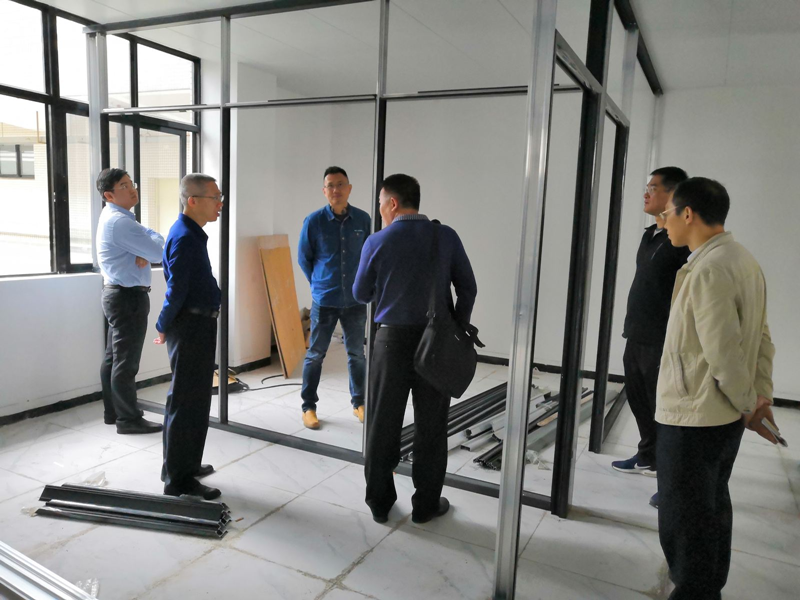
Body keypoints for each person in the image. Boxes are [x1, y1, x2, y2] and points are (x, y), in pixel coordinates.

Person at [656, 177, 779, 600]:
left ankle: (695, 591)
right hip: (720, 415)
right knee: (710, 505)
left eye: (668, 213)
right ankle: (709, 587)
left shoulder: (709, 269)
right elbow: (762, 338)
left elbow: (724, 354)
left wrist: (748, 404)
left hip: (695, 415)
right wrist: (759, 395)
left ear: (688, 214)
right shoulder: (742, 259)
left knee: (684, 516)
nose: (664, 222)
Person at [353, 173, 477, 525]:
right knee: (432, 426)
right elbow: (468, 288)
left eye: (381, 202)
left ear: (393, 203)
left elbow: (360, 293)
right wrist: (456, 327)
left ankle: (380, 503)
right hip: (435, 343)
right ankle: (425, 505)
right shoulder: (445, 236)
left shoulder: (377, 241)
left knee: (382, 424)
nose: (380, 209)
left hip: (389, 343)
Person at [612, 167, 690, 509]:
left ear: (673, 194)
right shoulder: (651, 235)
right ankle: (648, 455)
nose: (646, 193)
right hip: (637, 332)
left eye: (653, 188)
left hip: (663, 337)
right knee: (638, 398)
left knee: (665, 411)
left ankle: (672, 482)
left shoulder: (681, 242)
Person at [154, 174, 224, 500]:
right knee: (186, 403)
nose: (220, 203)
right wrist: (162, 324)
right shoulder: (184, 237)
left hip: (199, 325)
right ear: (192, 200)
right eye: (215, 198)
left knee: (195, 401)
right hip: (190, 327)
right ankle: (178, 480)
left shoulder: (192, 233)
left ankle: (185, 465)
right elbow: (176, 290)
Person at [297, 166, 371, 430]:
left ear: (349, 188)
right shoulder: (313, 221)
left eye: (340, 184)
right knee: (316, 354)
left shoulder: (363, 220)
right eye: (330, 185)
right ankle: (308, 407)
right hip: (325, 299)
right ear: (324, 191)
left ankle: (360, 403)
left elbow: (369, 256)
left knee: (357, 354)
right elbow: (304, 259)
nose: (335, 190)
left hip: (355, 300)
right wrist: (319, 283)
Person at [96, 168, 165, 435]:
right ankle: (128, 419)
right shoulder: (120, 222)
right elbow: (159, 252)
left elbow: (153, 242)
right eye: (124, 186)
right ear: (109, 195)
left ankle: (113, 413)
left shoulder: (117, 218)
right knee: (126, 362)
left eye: (130, 183)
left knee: (114, 358)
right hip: (127, 298)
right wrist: (147, 249)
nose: (132, 189)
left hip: (117, 295)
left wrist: (145, 248)